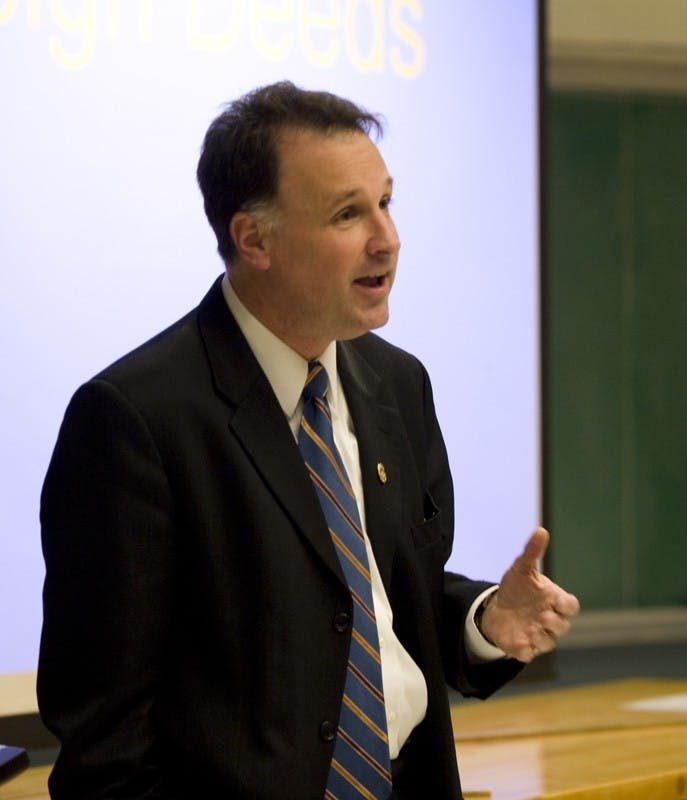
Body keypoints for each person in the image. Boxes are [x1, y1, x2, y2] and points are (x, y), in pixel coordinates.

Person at [38, 81, 580, 800]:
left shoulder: (397, 385)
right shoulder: (134, 420)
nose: (387, 238)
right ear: (253, 238)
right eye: (347, 214)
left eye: (385, 202)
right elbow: (105, 743)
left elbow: (370, 612)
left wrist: (483, 622)